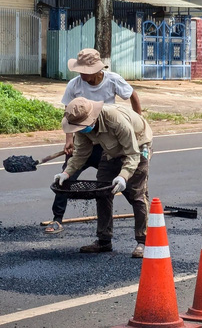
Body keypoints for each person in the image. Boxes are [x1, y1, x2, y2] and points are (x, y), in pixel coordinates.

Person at [44, 48, 142, 235]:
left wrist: (138, 121)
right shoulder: (74, 84)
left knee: (121, 180)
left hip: (108, 141)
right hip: (84, 137)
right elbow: (69, 111)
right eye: (79, 70)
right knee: (66, 177)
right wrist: (69, 139)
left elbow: (133, 96)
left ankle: (141, 209)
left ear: (97, 70)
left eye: (85, 71)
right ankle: (57, 219)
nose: (81, 74)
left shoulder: (112, 80)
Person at [54, 97, 153, 258]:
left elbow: (132, 153)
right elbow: (81, 154)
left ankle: (143, 240)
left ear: (91, 119)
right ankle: (104, 240)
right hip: (112, 149)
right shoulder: (82, 127)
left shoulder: (115, 120)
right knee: (102, 191)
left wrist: (123, 176)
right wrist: (67, 173)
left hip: (139, 146)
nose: (80, 130)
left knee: (136, 193)